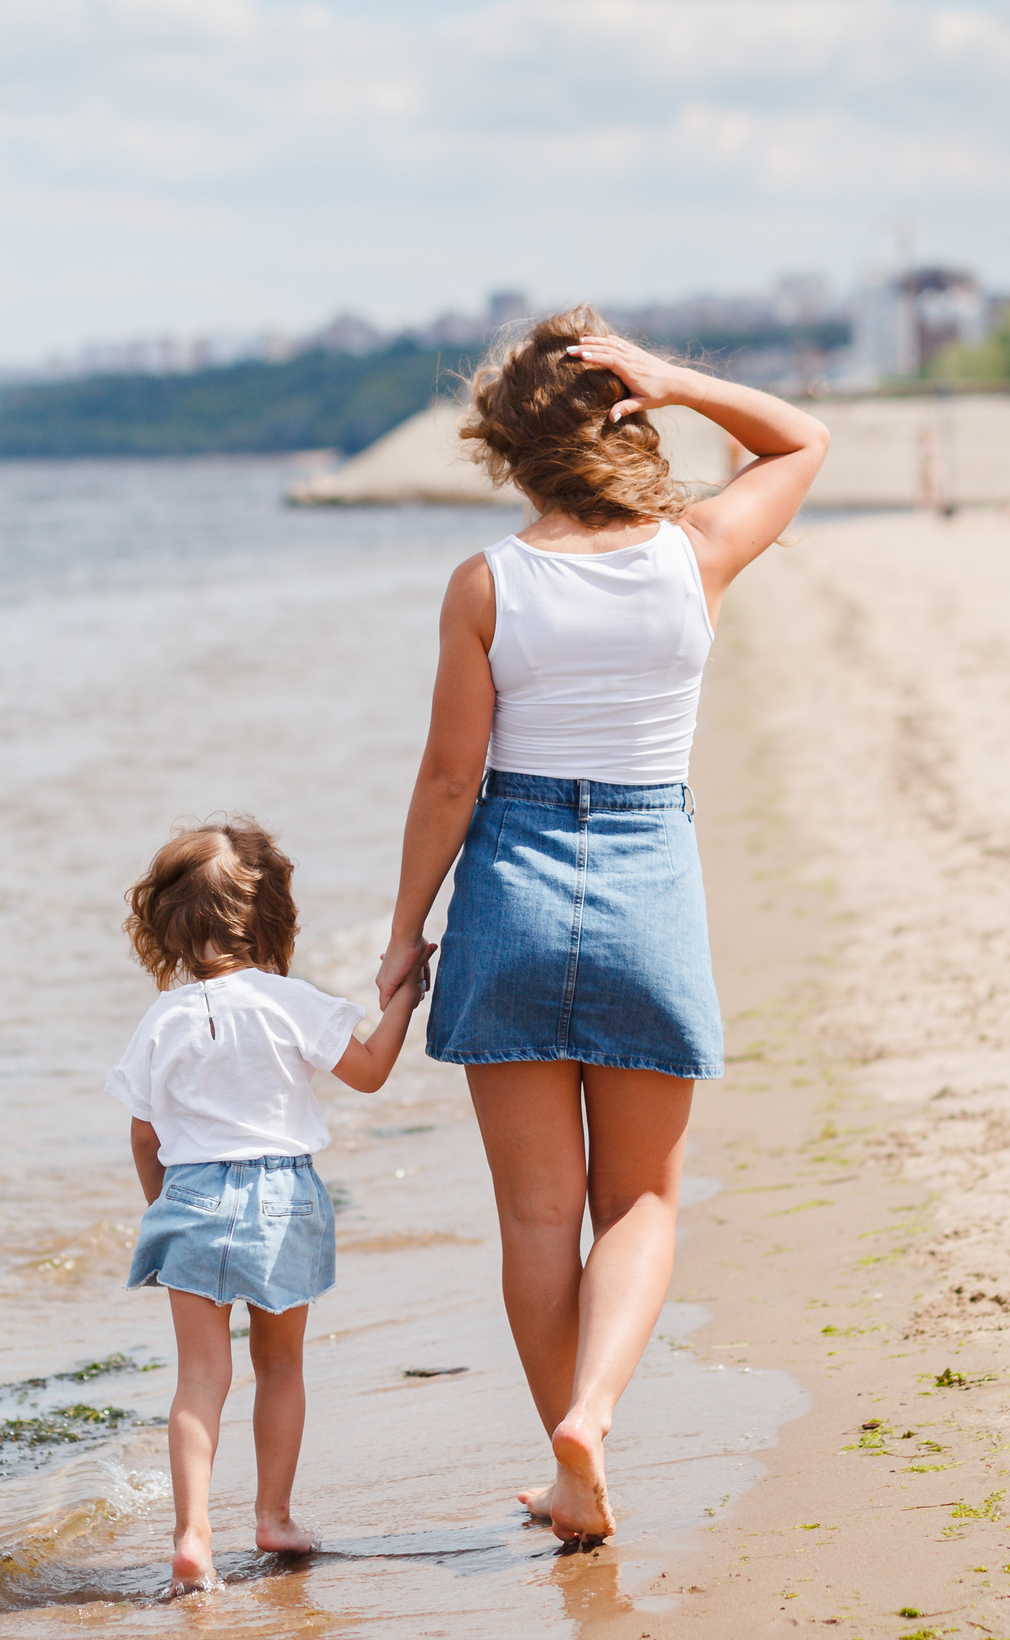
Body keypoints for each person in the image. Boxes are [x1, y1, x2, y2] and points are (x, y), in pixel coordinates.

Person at [374, 307, 828, 1544]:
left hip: (511, 887)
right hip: (646, 880)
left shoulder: (488, 583)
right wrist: (673, 379)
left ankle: (566, 1473)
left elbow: (446, 782)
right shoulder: (693, 556)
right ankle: (596, 1417)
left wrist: (404, 935)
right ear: (624, 425)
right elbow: (800, 444)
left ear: (506, 449)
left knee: (535, 1215)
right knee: (640, 1204)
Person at [107, 819, 433, 1593]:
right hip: (282, 1195)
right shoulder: (292, 1002)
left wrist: (166, 1208)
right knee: (279, 1363)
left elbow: (145, 1136)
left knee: (199, 1378)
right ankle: (273, 1515)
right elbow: (370, 1072)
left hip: (191, 1198)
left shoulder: (163, 1018)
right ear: (271, 915)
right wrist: (407, 1001)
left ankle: (192, 1536)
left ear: (170, 929)